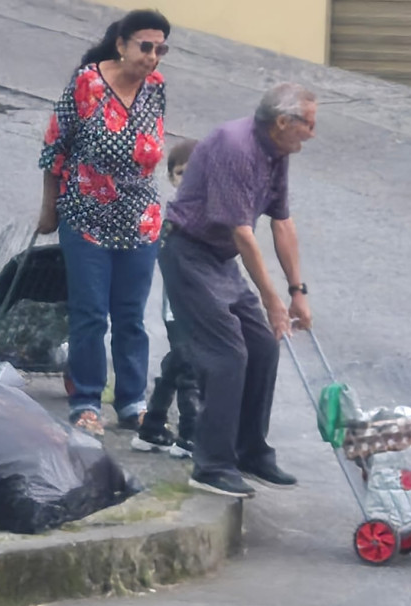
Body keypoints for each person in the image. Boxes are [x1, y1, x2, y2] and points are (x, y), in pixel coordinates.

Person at [158, 83, 316, 498]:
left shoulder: (275, 150)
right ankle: (211, 465)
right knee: (227, 353)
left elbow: (281, 221)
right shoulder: (236, 147)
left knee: (263, 344)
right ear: (283, 122)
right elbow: (243, 234)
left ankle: (250, 451)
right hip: (188, 252)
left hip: (218, 258)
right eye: (309, 125)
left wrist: (297, 291)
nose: (312, 135)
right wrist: (271, 299)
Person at [37, 9, 171, 437]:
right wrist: (49, 208)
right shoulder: (87, 83)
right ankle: (87, 402)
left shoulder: (156, 89)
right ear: (121, 44)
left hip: (139, 220)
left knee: (130, 316)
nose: (152, 57)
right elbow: (55, 147)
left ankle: (133, 403)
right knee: (90, 314)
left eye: (160, 49)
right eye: (145, 47)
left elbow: (151, 153)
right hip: (86, 215)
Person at [132, 139, 200, 458]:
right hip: (180, 306)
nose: (187, 179)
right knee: (190, 367)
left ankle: (152, 427)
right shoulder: (175, 215)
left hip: (199, 305)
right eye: (180, 173)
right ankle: (190, 435)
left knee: (176, 363)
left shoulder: (207, 210)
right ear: (171, 178)